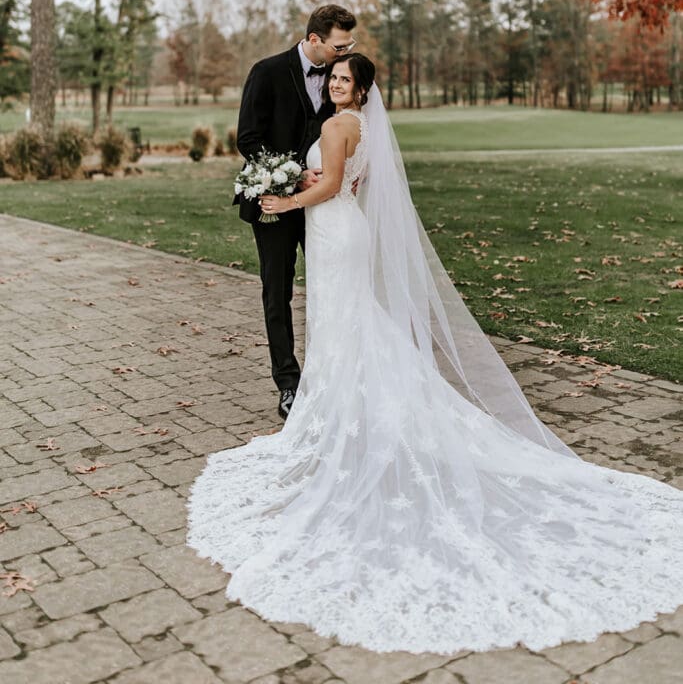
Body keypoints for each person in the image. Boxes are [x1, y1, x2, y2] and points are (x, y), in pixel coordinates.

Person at [189, 54, 683, 655]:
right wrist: (300, 189)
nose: (335, 85)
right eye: (334, 78)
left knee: (341, 326)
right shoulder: (363, 124)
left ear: (360, 88)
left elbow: (329, 185)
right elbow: (353, 183)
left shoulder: (336, 126)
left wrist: (282, 201)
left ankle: (344, 420)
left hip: (331, 231)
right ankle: (345, 411)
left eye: (345, 80)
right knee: (345, 325)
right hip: (340, 230)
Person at [234, 4, 357, 419]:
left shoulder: (341, 78)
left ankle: (334, 376)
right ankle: (288, 384)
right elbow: (248, 140)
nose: (346, 52)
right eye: (340, 45)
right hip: (275, 201)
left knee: (331, 287)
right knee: (277, 292)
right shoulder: (266, 72)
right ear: (315, 40)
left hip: (326, 208)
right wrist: (294, 175)